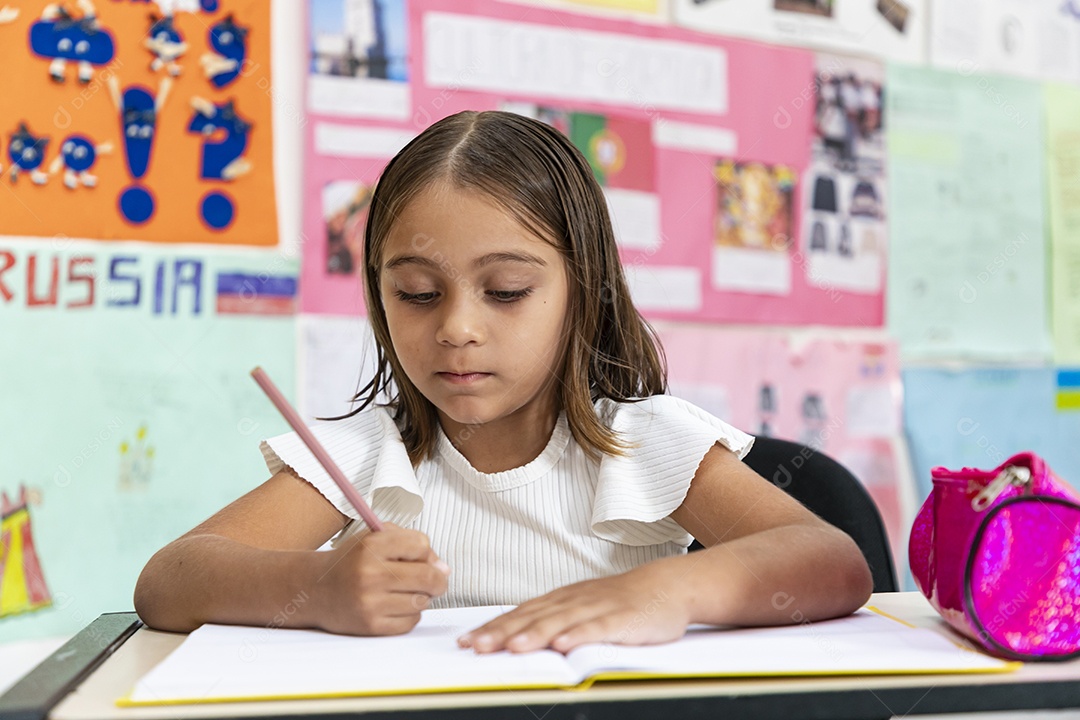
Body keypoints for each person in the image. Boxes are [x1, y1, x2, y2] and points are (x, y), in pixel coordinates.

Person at [134, 110, 872, 655]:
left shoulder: (644, 443)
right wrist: (319, 589)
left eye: (507, 291)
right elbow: (168, 580)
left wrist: (665, 590)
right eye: (418, 294)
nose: (457, 328)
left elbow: (832, 562)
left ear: (583, 291)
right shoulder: (365, 453)